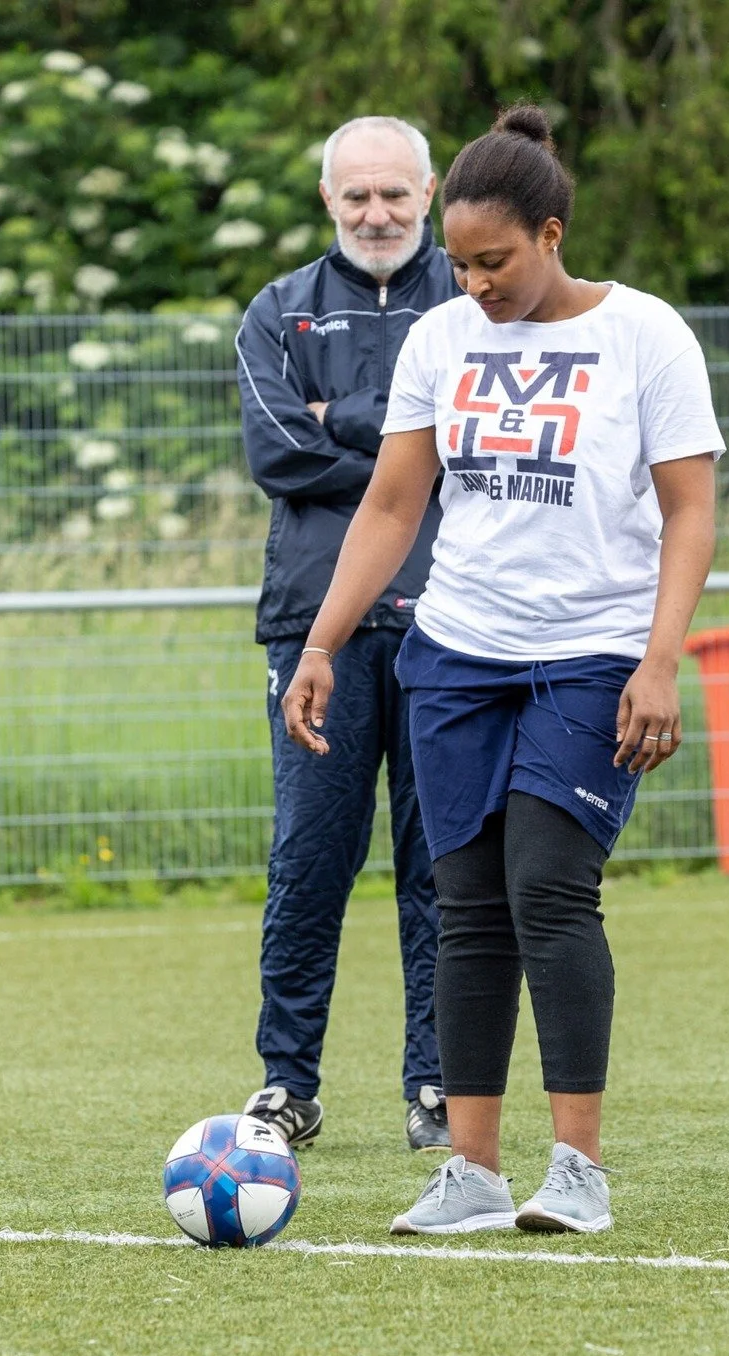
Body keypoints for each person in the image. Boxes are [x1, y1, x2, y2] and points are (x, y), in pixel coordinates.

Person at [281, 103, 722, 1237]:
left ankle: (576, 1168)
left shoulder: (645, 336)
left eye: (495, 261)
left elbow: (689, 511)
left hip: (591, 657)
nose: (473, 284)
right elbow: (390, 503)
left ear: (554, 235)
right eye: (463, 266)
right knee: (468, 908)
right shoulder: (441, 336)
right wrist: (322, 643)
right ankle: (469, 1175)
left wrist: (659, 661)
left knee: (548, 886)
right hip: (456, 655)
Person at [234, 115, 458, 1154]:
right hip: (311, 630)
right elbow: (277, 451)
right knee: (308, 860)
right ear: (328, 199)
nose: (376, 214)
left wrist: (343, 415)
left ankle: (437, 1082)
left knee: (441, 866)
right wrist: (404, 447)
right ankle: (288, 1083)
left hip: (454, 624)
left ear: (428, 192)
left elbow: (475, 444)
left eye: (394, 195)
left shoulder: (475, 297)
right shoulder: (275, 311)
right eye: (355, 196)